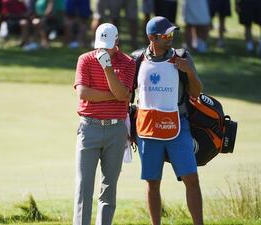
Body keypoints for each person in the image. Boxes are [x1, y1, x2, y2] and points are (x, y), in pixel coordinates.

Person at [134, 16, 203, 225]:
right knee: (152, 182)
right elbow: (128, 94)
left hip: (179, 126)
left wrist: (188, 70)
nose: (171, 38)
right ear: (152, 37)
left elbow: (197, 92)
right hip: (147, 129)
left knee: (191, 179)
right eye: (167, 35)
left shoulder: (182, 56)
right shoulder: (137, 59)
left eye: (172, 33)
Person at [73, 23, 136, 225]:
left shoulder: (128, 62)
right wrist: (116, 96)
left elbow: (122, 94)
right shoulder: (85, 59)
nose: (103, 49)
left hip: (116, 131)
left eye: (108, 45)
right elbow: (84, 93)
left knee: (109, 188)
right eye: (101, 44)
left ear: (116, 41)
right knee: (84, 186)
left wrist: (107, 68)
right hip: (89, 128)